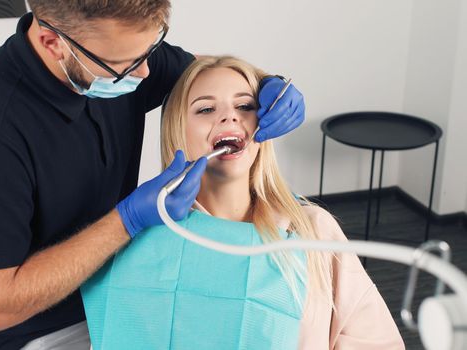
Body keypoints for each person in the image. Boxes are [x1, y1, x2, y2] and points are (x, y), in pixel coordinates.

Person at [0, 2, 306, 349]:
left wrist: (266, 84)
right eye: (123, 65)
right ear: (53, 42)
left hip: (104, 293)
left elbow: (205, 76)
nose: (146, 73)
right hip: (23, 334)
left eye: (150, 51)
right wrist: (127, 220)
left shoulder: (119, 52)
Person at [81, 56, 405, 349]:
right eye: (207, 109)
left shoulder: (311, 230)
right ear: (177, 131)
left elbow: (375, 341)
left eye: (245, 107)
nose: (229, 118)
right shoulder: (138, 241)